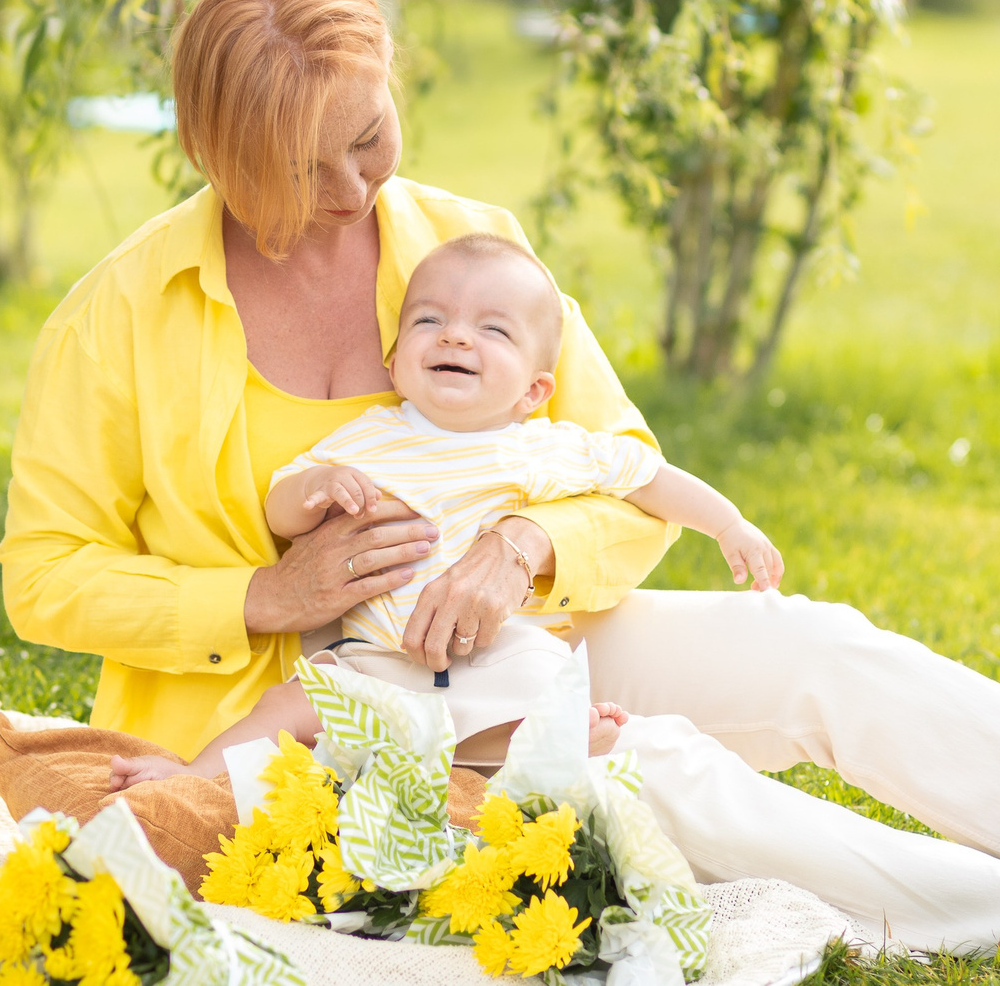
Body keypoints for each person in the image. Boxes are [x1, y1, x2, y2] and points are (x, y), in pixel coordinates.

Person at [1, 0, 1000, 972]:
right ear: (219, 151)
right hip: (324, 717)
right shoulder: (124, 313)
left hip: (531, 634)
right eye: (312, 167)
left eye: (371, 136)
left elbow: (621, 463)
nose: (359, 191)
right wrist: (260, 599)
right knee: (662, 780)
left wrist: (524, 543)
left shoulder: (465, 241)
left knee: (820, 649)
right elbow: (42, 578)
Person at [108, 230, 780, 785]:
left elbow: (648, 477)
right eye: (431, 320)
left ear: (535, 389)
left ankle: (562, 731)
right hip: (369, 655)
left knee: (540, 662)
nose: (456, 338)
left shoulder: (543, 449)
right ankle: (194, 776)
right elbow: (282, 505)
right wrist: (315, 492)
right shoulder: (369, 438)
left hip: (483, 647)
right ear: (396, 364)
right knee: (296, 702)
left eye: (493, 330)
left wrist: (728, 523)